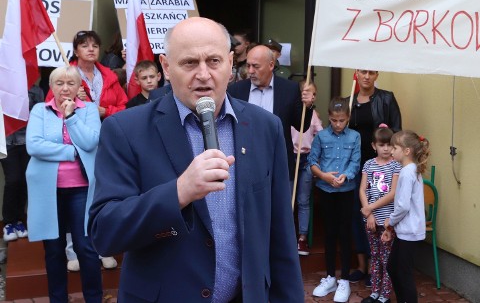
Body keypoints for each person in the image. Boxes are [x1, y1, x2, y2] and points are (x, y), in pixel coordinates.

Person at [89, 17, 304, 302]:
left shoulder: (266, 127)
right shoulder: (125, 129)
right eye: (189, 63)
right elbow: (105, 232)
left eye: (214, 61)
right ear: (166, 66)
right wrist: (179, 192)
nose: (203, 74)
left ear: (230, 63)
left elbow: (281, 236)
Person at [26, 66, 103, 303]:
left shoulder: (88, 110)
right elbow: (34, 145)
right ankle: (58, 299)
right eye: (59, 83)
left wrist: (71, 117)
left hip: (81, 188)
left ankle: (94, 299)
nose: (65, 88)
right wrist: (71, 152)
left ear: (80, 87)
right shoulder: (40, 110)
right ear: (51, 87)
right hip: (48, 191)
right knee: (54, 250)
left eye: (71, 83)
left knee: (86, 248)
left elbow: (90, 142)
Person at [227, 44, 313, 189]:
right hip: (245, 163)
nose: (250, 71)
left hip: (277, 162)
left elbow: (302, 126)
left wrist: (308, 106)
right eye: (248, 66)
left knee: (279, 209)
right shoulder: (236, 90)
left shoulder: (290, 89)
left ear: (271, 65)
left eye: (256, 66)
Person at [347, 69, 402, 284]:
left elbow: (396, 132)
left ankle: (377, 268)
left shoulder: (386, 99)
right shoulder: (349, 100)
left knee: (380, 214)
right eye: (363, 72)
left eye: (371, 72)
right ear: (356, 74)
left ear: (376, 75)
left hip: (383, 167)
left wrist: (392, 159)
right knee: (359, 214)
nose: (366, 76)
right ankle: (362, 265)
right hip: (356, 167)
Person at [309, 97, 361, 303]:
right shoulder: (321, 136)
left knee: (345, 233)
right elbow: (312, 161)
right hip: (326, 190)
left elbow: (356, 162)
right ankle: (330, 276)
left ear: (348, 118)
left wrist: (345, 176)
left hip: (346, 190)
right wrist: (323, 176)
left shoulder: (354, 137)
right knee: (330, 233)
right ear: (329, 117)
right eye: (334, 120)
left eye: (341, 120)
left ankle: (345, 279)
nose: (338, 124)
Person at [382, 130, 428, 303]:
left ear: (407, 151)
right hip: (406, 231)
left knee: (403, 272)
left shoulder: (407, 172)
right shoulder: (410, 170)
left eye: (394, 147)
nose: (391, 151)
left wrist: (390, 222)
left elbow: (402, 205)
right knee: (393, 268)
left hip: (408, 231)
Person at [359, 124, 401, 303]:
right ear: (373, 146)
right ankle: (375, 292)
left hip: (387, 222)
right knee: (374, 256)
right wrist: (368, 214)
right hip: (371, 220)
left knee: (387, 259)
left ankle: (385, 295)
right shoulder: (368, 164)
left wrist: (370, 208)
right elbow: (362, 190)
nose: (386, 148)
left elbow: (392, 194)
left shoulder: (395, 166)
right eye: (382, 145)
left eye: (389, 145)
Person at [46, 30, 128, 119]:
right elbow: (49, 106)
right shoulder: (64, 75)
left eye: (95, 46)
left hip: (106, 128)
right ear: (76, 52)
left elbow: (124, 108)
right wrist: (72, 96)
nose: (91, 49)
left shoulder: (110, 76)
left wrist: (105, 111)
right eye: (85, 46)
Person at [2, 84, 43, 242]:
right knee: (13, 180)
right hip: (6, 141)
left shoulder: (34, 89)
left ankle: (19, 220)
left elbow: (40, 112)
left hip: (28, 140)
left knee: (27, 179)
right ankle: (8, 222)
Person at [291, 80, 323, 255]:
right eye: (303, 91)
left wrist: (316, 157)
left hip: (306, 159)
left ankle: (302, 238)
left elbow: (320, 135)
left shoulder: (314, 115)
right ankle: (287, 237)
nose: (306, 95)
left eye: (310, 92)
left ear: (314, 96)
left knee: (303, 200)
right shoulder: (290, 112)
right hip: (290, 157)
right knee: (288, 200)